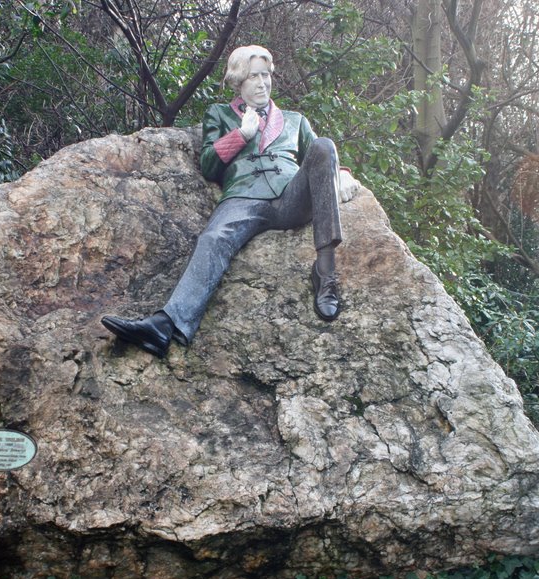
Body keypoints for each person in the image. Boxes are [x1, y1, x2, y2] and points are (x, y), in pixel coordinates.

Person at [101, 45, 360, 358]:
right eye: (254, 77)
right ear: (239, 82)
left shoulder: (295, 120)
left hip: (291, 197)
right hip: (244, 197)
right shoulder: (219, 115)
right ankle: (165, 325)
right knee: (213, 238)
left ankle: (325, 274)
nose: (262, 83)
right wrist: (241, 134)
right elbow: (209, 164)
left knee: (325, 143)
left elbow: (318, 156)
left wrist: (340, 174)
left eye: (266, 75)